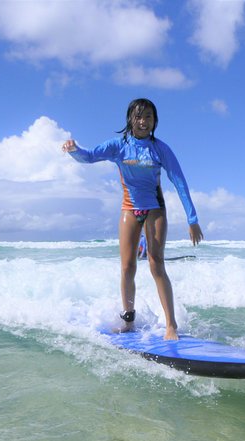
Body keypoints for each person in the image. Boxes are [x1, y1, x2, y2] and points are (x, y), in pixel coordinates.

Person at [62, 98, 203, 340]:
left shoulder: (160, 149)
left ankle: (171, 325)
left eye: (148, 116)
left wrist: (192, 219)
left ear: (154, 121)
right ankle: (128, 321)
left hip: (155, 209)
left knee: (156, 264)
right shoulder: (118, 145)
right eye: (139, 116)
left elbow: (179, 181)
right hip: (129, 209)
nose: (143, 121)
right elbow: (89, 156)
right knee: (127, 267)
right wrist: (74, 150)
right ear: (130, 119)